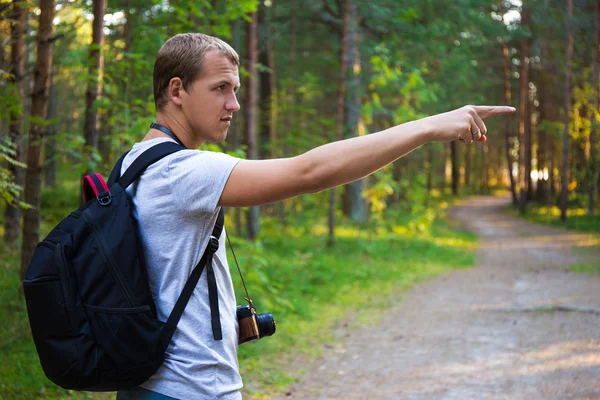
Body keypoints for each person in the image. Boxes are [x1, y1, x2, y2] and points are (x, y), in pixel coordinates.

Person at [115, 33, 515, 400]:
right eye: (220, 89)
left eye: (235, 90)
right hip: (188, 389)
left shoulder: (134, 163)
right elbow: (309, 172)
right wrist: (429, 127)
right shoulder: (181, 172)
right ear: (177, 90)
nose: (234, 104)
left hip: (150, 386)